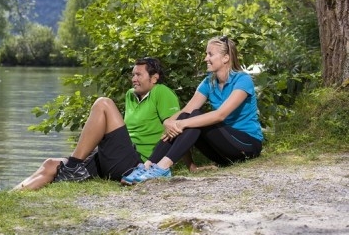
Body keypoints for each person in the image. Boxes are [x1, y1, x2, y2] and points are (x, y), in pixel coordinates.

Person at [13, 57, 195, 191]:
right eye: (132, 75)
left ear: (154, 78)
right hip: (116, 156)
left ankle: (73, 165)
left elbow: (176, 130)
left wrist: (190, 164)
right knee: (50, 164)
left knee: (103, 103)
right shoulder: (131, 95)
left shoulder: (162, 92)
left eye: (139, 74)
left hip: (137, 163)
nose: (134, 79)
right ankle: (12, 195)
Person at [121, 36, 263, 185]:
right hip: (222, 153)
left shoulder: (242, 80)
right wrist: (170, 122)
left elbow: (220, 115)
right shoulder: (209, 82)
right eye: (206, 54)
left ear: (226, 58)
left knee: (194, 117)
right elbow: (188, 109)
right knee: (186, 115)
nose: (205, 58)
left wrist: (182, 124)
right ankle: (148, 165)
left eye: (210, 54)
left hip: (246, 146)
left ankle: (162, 167)